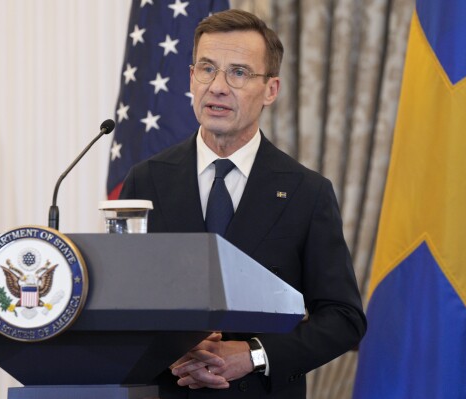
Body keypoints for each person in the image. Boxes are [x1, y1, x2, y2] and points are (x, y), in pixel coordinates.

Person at [120, 8, 366, 398]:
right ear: (190, 78)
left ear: (271, 89)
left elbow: (343, 318)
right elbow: (123, 300)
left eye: (238, 72)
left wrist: (254, 355)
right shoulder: (146, 179)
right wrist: (170, 350)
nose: (217, 86)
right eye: (207, 69)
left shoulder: (307, 192)